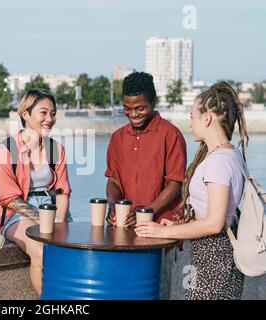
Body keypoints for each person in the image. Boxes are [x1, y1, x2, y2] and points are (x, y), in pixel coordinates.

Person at [135, 82, 248, 299]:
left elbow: (214, 223)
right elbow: (216, 213)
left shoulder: (218, 162)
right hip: (217, 254)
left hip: (213, 259)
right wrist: (180, 225)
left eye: (192, 116)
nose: (190, 122)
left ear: (207, 118)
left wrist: (163, 232)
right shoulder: (231, 154)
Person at [0, 89, 72, 296]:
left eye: (53, 114)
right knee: (42, 250)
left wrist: (61, 221)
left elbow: (62, 190)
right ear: (25, 114)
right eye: (43, 113)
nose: (49, 119)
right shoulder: (6, 149)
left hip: (50, 209)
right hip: (15, 213)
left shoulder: (57, 149)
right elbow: (8, 198)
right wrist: (43, 220)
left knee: (74, 248)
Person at [105, 72, 187, 227]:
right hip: (126, 226)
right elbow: (113, 181)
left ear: (154, 102)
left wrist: (145, 212)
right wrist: (114, 207)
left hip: (162, 227)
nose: (134, 114)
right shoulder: (117, 137)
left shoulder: (171, 135)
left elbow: (176, 184)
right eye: (127, 108)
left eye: (140, 108)